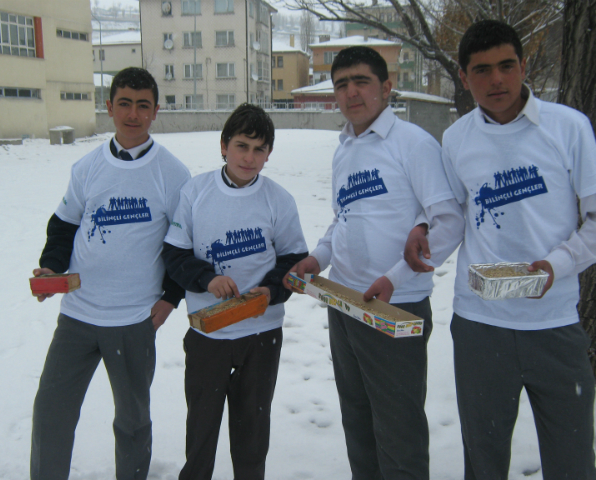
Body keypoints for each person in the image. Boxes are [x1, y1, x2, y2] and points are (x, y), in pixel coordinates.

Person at [404, 20, 596, 479]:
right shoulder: (457, 138)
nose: (497, 80)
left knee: (572, 462)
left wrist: (556, 264)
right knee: (484, 462)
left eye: (507, 66)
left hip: (554, 323)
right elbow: (452, 218)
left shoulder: (568, 128)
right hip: (480, 325)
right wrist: (421, 230)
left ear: (524, 65)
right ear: (465, 76)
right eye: (482, 70)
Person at [286, 46, 464, 480]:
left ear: (386, 87)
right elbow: (342, 220)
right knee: (358, 421)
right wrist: (317, 257)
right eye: (342, 84)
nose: (351, 92)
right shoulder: (345, 148)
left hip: (394, 307)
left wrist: (395, 277)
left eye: (361, 81)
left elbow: (448, 222)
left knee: (398, 430)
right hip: (345, 303)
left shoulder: (414, 144)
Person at [30, 67, 191, 480]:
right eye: (124, 103)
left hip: (133, 320)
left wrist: (170, 297)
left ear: (155, 111)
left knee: (133, 420)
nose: (132, 114)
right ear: (109, 107)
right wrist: (52, 266)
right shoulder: (87, 168)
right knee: (52, 412)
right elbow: (64, 225)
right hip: (78, 316)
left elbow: (183, 244)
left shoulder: (173, 173)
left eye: (142, 105)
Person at [161, 103, 308, 480]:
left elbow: (293, 259)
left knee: (252, 431)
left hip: (261, 334)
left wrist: (270, 292)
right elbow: (174, 254)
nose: (249, 157)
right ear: (224, 145)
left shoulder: (279, 200)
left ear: (269, 154)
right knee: (202, 428)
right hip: (208, 331)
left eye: (259, 149)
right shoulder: (196, 192)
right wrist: (207, 279)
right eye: (242, 145)